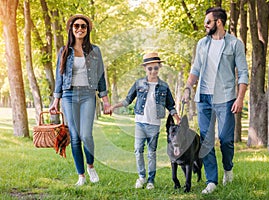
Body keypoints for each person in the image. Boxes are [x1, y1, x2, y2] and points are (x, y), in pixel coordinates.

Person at [182, 7, 248, 194]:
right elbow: (195, 69)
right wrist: (187, 88)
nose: (205, 25)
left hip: (226, 97)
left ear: (218, 22)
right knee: (206, 140)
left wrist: (240, 98)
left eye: (208, 22)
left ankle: (228, 168)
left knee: (226, 140)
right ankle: (212, 180)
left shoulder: (235, 44)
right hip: (203, 98)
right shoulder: (202, 44)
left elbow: (243, 73)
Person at [49, 14, 111, 186]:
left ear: (87, 29)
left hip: (87, 95)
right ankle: (81, 175)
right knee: (75, 137)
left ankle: (90, 166)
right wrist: (55, 101)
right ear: (71, 28)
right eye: (76, 26)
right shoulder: (64, 51)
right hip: (69, 96)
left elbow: (100, 77)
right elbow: (59, 77)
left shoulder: (95, 51)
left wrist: (105, 100)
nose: (80, 29)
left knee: (86, 135)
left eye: (83, 26)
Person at [109, 52, 181, 190]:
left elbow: (170, 105)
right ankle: (141, 177)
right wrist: (114, 106)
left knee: (151, 152)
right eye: (150, 68)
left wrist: (177, 117)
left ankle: (151, 180)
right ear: (145, 69)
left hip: (154, 125)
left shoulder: (164, 86)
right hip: (140, 123)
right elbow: (127, 100)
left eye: (155, 68)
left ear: (159, 67)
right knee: (138, 150)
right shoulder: (139, 83)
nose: (153, 71)